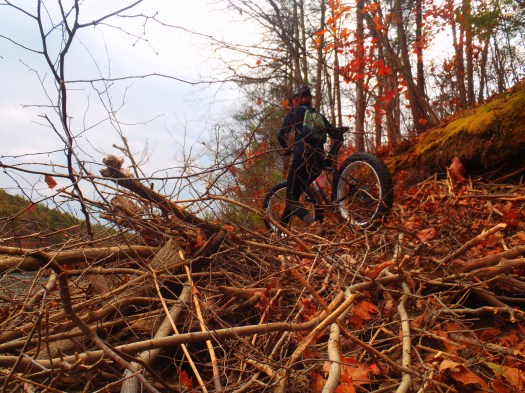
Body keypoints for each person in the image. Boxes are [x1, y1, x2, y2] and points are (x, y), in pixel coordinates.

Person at [277, 85, 344, 235]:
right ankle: (279, 233)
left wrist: (286, 148)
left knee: (291, 199)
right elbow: (335, 135)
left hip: (302, 158)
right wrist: (330, 157)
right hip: (317, 163)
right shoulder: (319, 116)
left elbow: (281, 135)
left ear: (295, 100)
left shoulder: (295, 111)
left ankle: (313, 225)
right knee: (294, 195)